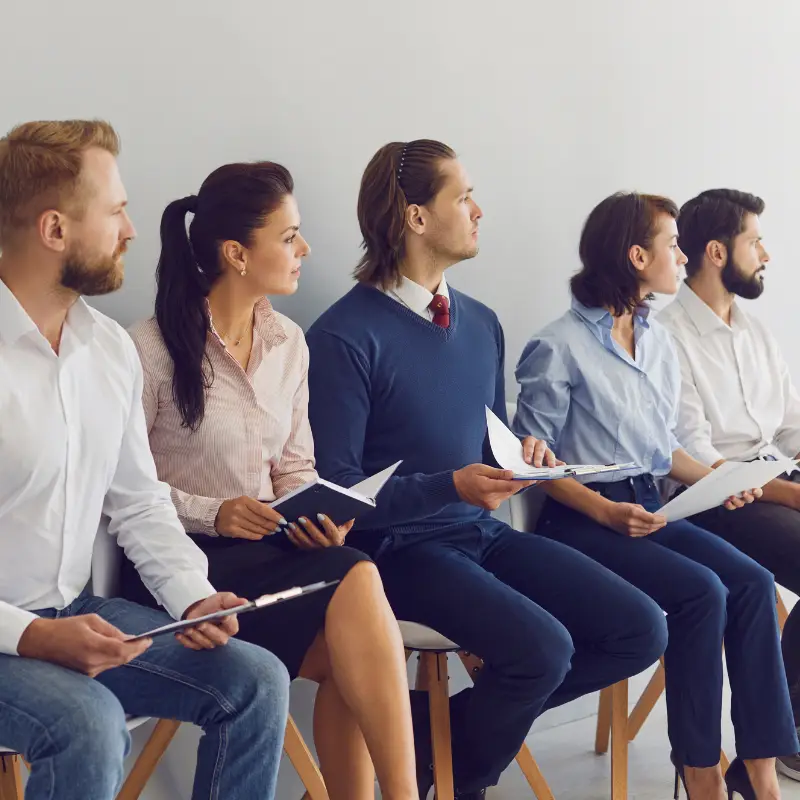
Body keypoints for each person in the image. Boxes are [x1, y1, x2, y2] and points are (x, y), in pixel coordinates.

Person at [305, 139, 668, 799]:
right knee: (543, 650)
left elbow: (485, 443)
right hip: (396, 553)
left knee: (640, 627)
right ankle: (457, 780)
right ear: (416, 217)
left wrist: (522, 458)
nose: (478, 209)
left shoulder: (481, 324)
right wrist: (451, 485)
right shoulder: (342, 337)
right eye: (462, 196)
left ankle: (426, 746)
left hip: (479, 533)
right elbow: (339, 500)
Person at [0, 120, 290, 800]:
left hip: (70, 610)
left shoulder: (106, 349)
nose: (131, 229)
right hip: (15, 626)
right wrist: (35, 636)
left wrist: (192, 595)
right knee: (92, 724)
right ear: (54, 230)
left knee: (256, 681)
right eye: (116, 211)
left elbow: (137, 500)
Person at [122, 161, 418, 800]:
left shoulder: (290, 343)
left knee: (352, 572)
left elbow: (296, 467)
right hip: (182, 568)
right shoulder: (146, 350)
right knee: (358, 587)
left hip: (269, 551)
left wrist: (317, 516)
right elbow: (123, 489)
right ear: (237, 253)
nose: (305, 250)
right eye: (289, 237)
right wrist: (214, 512)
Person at [514, 191, 798, 800]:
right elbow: (530, 465)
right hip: (584, 518)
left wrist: (723, 484)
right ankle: (700, 774)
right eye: (671, 245)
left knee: (748, 583)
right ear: (637, 256)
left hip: (650, 506)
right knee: (703, 592)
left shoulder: (657, 341)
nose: (680, 254)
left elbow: (665, 450)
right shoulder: (558, 345)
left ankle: (762, 777)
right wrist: (603, 509)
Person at [658, 188, 800, 781]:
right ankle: (784, 740)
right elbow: (698, 458)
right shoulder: (668, 336)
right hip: (718, 500)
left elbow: (792, 427)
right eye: (754, 241)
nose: (765, 253)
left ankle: (780, 730)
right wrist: (792, 492)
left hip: (775, 480)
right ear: (717, 252)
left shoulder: (756, 331)